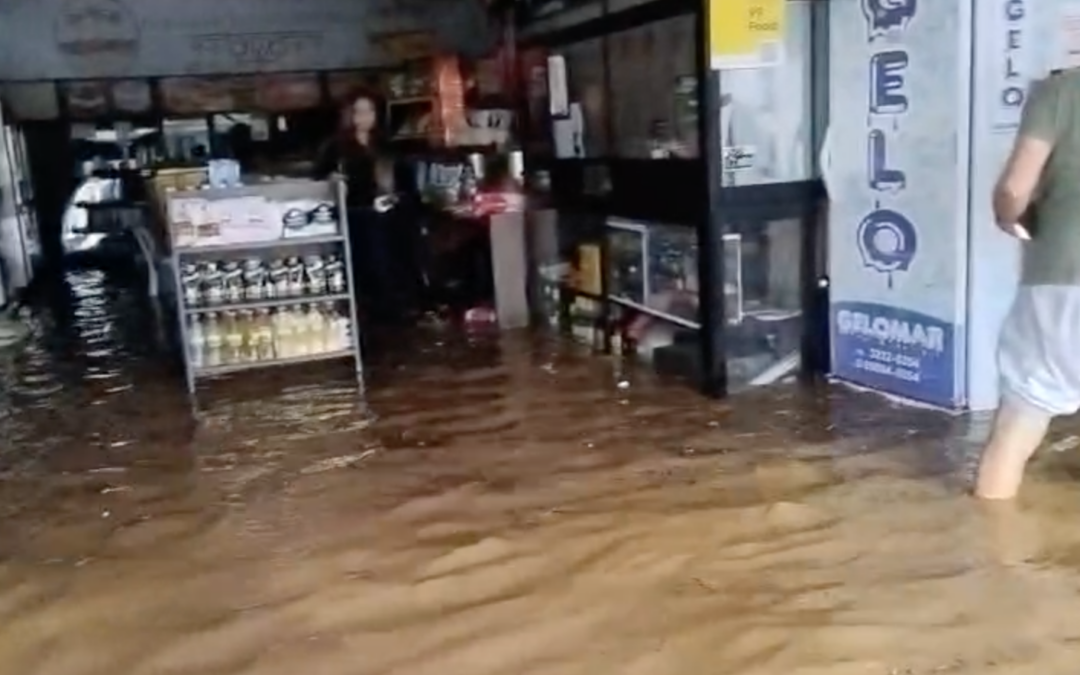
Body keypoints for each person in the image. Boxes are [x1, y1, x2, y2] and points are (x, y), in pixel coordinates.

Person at [975, 71, 1080, 500]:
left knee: (1020, 424)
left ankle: (993, 558)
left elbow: (1015, 189)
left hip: (1064, 277)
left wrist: (1009, 218)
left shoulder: (1062, 91)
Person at [313, 90, 419, 326]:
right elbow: (321, 182)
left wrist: (396, 198)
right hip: (357, 218)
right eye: (358, 112)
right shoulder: (335, 148)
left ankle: (395, 314)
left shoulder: (386, 144)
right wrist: (334, 180)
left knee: (393, 265)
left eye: (369, 111)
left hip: (389, 219)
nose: (364, 117)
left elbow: (406, 181)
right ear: (349, 115)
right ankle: (370, 316)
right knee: (366, 267)